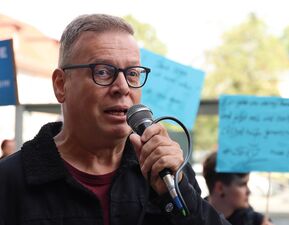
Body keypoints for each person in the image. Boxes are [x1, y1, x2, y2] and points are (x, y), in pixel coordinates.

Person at [0, 14, 230, 225]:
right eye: (102, 71)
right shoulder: (9, 181)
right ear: (61, 85)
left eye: (132, 74)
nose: (122, 87)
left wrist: (178, 194)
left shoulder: (165, 169)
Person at [203, 151, 274, 225]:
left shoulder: (257, 221)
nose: (249, 191)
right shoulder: (194, 217)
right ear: (220, 188)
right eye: (242, 184)